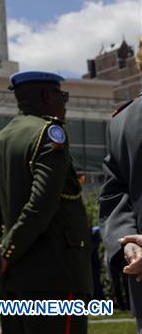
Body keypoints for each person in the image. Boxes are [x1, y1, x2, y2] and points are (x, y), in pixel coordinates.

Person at [0, 70, 92, 334]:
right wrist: (6, 251)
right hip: (55, 277)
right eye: (63, 96)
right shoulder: (49, 133)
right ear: (47, 97)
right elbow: (42, 204)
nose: (64, 104)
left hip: (12, 280)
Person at [98, 36, 142, 331]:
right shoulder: (122, 122)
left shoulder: (123, 121)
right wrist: (128, 244)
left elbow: (114, 197)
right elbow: (115, 194)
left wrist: (129, 243)